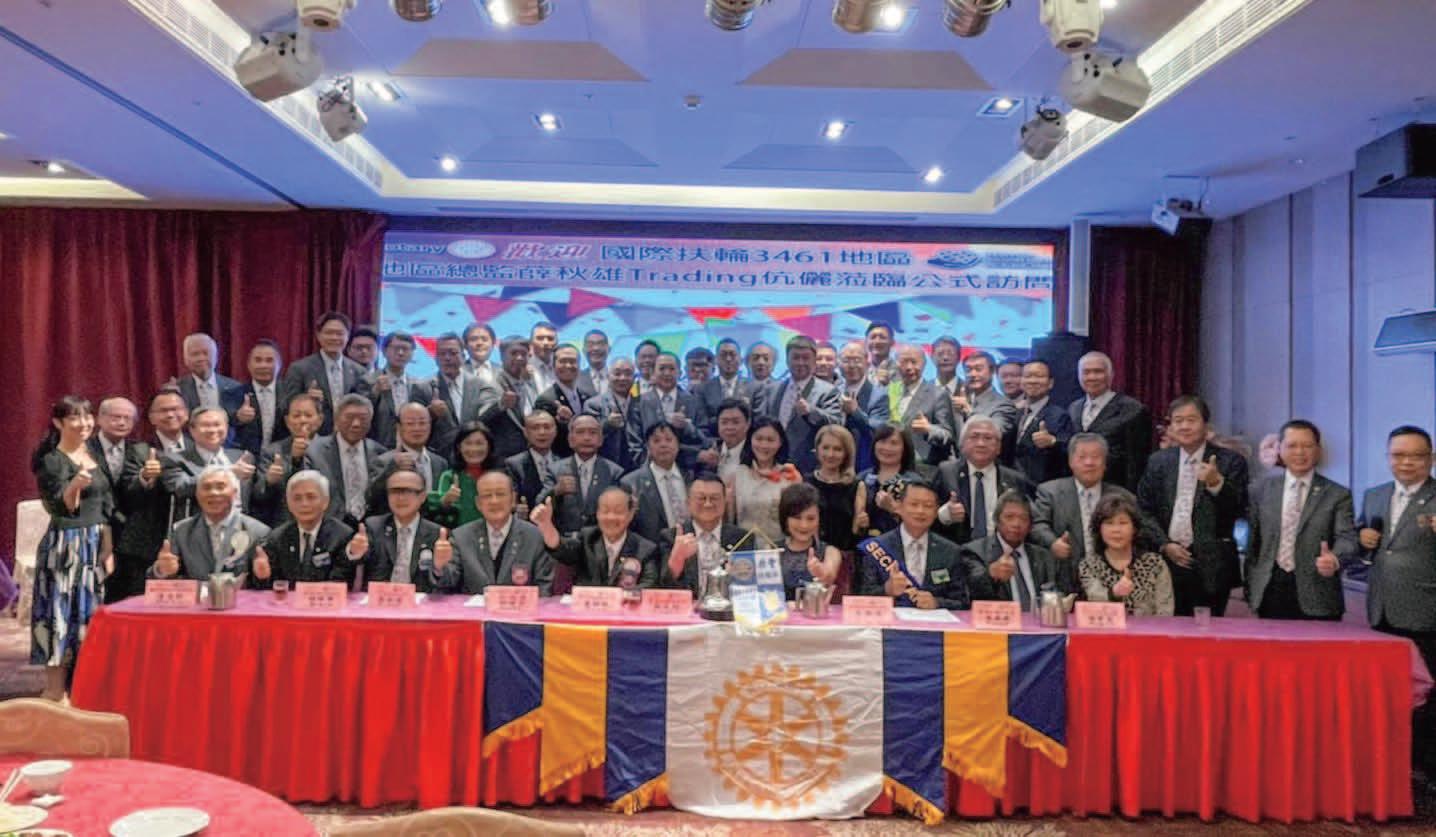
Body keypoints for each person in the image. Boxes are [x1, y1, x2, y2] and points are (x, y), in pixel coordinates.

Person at [1358, 425, 1436, 771]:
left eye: (1416, 456)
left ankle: (1424, 771)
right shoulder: (1375, 494)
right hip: (1382, 611)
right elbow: (1366, 547)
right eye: (1398, 455)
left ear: (1431, 459)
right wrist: (1362, 539)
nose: (1406, 462)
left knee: (1425, 698)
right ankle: (1390, 765)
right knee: (1387, 695)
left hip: (1426, 612)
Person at [30, 396, 113, 701]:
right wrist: (75, 485)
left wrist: (108, 547)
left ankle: (83, 688)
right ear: (58, 423)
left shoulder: (93, 452)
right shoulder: (52, 459)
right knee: (59, 614)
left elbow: (105, 505)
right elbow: (60, 508)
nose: (84, 423)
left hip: (95, 542)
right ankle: (54, 691)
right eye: (75, 417)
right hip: (66, 544)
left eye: (87, 416)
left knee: (88, 616)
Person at [1137, 395, 1249, 616]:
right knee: (1165, 628)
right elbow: (1144, 509)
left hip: (1212, 566)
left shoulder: (1231, 461)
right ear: (1170, 427)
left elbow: (1238, 509)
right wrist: (1164, 544)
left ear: (1205, 425)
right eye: (1178, 421)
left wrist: (1216, 484)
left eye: (1191, 420)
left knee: (1207, 629)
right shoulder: (1158, 461)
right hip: (1166, 560)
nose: (1184, 426)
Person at [1246, 419, 1358, 620]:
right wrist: (1251, 585)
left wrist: (1335, 558)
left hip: (1318, 592)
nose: (1299, 452)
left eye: (1307, 446)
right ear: (1279, 450)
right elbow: (1253, 543)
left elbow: (1347, 537)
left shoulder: (1337, 494)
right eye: (1292, 446)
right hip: (1269, 589)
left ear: (1318, 451)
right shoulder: (1260, 490)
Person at [1030, 433, 1162, 565]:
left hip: (1112, 570)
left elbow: (1140, 532)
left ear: (1105, 463)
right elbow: (1037, 524)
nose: (1089, 463)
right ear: (1070, 462)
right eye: (1082, 457)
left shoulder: (1123, 496)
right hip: (1066, 568)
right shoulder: (1050, 492)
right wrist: (1053, 543)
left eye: (1095, 457)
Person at [110, 389, 184, 600]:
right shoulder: (138, 450)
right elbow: (126, 492)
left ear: (186, 413)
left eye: (176, 409)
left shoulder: (198, 446)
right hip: (146, 544)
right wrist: (144, 477)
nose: (170, 414)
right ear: (151, 417)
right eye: (163, 410)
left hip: (187, 542)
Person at [856, 478, 969, 610]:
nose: (920, 511)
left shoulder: (950, 551)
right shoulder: (876, 548)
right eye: (914, 504)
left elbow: (962, 602)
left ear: (936, 511)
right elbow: (859, 599)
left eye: (928, 506)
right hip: (890, 620)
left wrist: (937, 603)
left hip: (933, 621)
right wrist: (887, 590)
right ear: (899, 507)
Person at [150, 466, 269, 581]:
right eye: (206, 488)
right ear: (197, 494)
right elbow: (156, 577)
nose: (213, 493)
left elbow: (267, 583)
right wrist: (161, 570)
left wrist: (262, 576)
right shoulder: (182, 531)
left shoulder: (258, 532)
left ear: (235, 493)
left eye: (220, 487)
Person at [251, 470, 361, 588]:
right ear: (289, 504)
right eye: (297, 498)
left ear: (325, 501)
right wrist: (263, 577)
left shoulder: (342, 536)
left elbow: (342, 582)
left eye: (311, 497)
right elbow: (270, 586)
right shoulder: (277, 538)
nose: (304, 504)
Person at [533, 487, 660, 589]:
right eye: (605, 511)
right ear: (598, 513)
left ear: (630, 514)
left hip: (627, 611)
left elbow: (648, 586)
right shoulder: (587, 538)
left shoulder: (645, 549)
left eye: (618, 511)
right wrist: (546, 525)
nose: (611, 517)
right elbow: (562, 548)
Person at [934, 416, 1033, 546]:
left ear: (999, 447)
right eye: (974, 437)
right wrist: (944, 515)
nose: (981, 443)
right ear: (962, 444)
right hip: (957, 549)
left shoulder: (1015, 480)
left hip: (1001, 550)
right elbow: (926, 516)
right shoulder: (946, 472)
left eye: (988, 438)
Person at [451, 471, 554, 594]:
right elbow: (448, 584)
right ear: (478, 503)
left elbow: (544, 589)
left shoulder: (534, 536)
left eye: (500, 494)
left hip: (521, 606)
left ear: (513, 499)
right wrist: (439, 567)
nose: (494, 501)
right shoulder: (461, 537)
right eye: (487, 496)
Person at [964, 490, 1074, 606]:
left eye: (1023, 518)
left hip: (1037, 616)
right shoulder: (976, 552)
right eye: (1009, 517)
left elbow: (1062, 593)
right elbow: (970, 593)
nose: (1016, 524)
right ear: (997, 520)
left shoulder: (1045, 558)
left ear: (1030, 525)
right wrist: (990, 575)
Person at [355, 467, 455, 592]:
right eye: (395, 491)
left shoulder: (438, 534)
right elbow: (357, 561)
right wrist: (355, 553)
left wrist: (439, 568)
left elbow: (448, 582)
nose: (401, 498)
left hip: (419, 601)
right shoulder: (374, 526)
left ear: (423, 496)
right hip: (381, 599)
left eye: (408, 491)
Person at [752, 336, 840, 474]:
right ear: (787, 360)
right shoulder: (772, 389)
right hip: (772, 464)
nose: (800, 362)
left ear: (814, 361)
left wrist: (810, 412)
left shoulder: (828, 391)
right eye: (795, 357)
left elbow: (836, 424)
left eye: (805, 358)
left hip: (809, 467)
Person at [1067, 351, 1152, 491]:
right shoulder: (1074, 408)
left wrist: (1129, 496)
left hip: (1116, 491)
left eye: (1098, 371)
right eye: (1086, 372)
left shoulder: (1133, 409)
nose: (1092, 377)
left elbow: (1137, 461)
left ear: (1111, 375)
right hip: (1079, 490)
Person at [1078, 493, 1175, 616]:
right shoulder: (1089, 565)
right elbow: (1092, 600)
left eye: (1123, 523)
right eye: (1109, 523)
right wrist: (1114, 593)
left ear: (1134, 528)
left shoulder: (1155, 564)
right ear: (1099, 529)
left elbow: (1165, 611)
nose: (1116, 530)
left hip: (1149, 628)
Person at [658, 471, 751, 595]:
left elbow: (750, 584)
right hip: (689, 605)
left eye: (714, 498)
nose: (708, 504)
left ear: (725, 501)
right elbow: (663, 587)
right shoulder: (671, 537)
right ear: (688, 502)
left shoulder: (743, 538)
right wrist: (678, 558)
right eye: (701, 498)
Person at [280, 311, 371, 436]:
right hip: (312, 437)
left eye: (339, 333)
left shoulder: (359, 371)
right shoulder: (299, 369)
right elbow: (287, 406)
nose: (334, 337)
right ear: (318, 335)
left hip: (349, 437)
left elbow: (364, 408)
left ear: (348, 336)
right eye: (329, 333)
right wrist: (307, 400)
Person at [534, 415, 624, 536]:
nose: (586, 438)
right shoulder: (555, 470)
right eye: (580, 432)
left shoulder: (614, 472)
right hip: (564, 540)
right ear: (570, 440)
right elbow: (538, 505)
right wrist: (556, 491)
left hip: (601, 539)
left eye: (592, 433)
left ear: (601, 440)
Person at [160, 407, 255, 522]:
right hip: (199, 525)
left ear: (227, 428)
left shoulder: (242, 457)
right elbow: (180, 487)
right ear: (192, 430)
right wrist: (228, 472)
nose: (212, 430)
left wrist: (269, 480)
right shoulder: (174, 458)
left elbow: (257, 494)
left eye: (217, 424)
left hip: (241, 524)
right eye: (205, 425)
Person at [306, 395, 388, 525]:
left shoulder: (380, 453)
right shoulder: (314, 451)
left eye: (363, 419)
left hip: (369, 527)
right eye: (349, 418)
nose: (356, 424)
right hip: (330, 526)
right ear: (336, 419)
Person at [806, 425, 865, 594]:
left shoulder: (856, 485)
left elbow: (857, 531)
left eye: (837, 449)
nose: (830, 454)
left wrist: (862, 522)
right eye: (826, 447)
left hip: (845, 562)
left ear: (846, 453)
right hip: (812, 558)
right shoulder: (805, 482)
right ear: (817, 449)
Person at [727, 417, 801, 549]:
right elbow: (729, 519)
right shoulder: (737, 475)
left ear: (780, 443)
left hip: (779, 548)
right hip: (744, 549)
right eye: (759, 439)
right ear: (750, 440)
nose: (764, 445)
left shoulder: (790, 475)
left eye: (770, 440)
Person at [252, 393, 321, 526]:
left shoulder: (329, 449)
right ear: (287, 422)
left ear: (320, 420)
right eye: (296, 416)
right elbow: (259, 495)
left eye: (308, 415)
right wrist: (269, 481)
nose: (302, 420)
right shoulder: (272, 452)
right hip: (285, 524)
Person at [368, 403, 450, 514]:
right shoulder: (384, 461)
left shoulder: (440, 463)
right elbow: (371, 497)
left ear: (430, 425)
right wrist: (391, 469)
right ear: (399, 427)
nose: (417, 428)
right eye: (410, 423)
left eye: (422, 423)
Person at [630, 352, 707, 469]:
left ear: (680, 373)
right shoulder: (639, 402)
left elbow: (705, 439)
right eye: (662, 369)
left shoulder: (694, 401)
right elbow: (634, 445)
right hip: (649, 469)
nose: (667, 373)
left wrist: (687, 427)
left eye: (671, 369)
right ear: (653, 373)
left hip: (688, 469)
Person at [621, 422, 692, 544]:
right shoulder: (631, 483)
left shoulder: (691, 477)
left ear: (678, 444)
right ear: (648, 447)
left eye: (669, 440)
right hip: (653, 550)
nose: (663, 445)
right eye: (656, 441)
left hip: (691, 545)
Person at [430, 332, 499, 458]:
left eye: (453, 353)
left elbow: (487, 418)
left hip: (475, 455)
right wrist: (430, 413)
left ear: (463, 355)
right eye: (442, 354)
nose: (447, 358)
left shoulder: (480, 385)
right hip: (440, 457)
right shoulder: (425, 387)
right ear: (435, 358)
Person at [885, 344, 955, 465]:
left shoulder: (938, 395)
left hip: (922, 467)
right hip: (890, 462)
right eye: (904, 362)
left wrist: (929, 429)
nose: (909, 367)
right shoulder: (889, 391)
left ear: (924, 364)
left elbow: (948, 436)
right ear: (896, 364)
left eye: (914, 362)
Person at [1007, 360, 1073, 485]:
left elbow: (1071, 451)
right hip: (1012, 484)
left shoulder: (1060, 416)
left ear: (1050, 383)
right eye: (1028, 376)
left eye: (1039, 376)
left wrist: (1053, 442)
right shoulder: (1014, 412)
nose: (1032, 381)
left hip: (1041, 487)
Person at [775, 482, 843, 599]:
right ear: (785, 518)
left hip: (814, 609)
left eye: (811, 518)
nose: (804, 525)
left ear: (819, 519)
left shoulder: (831, 552)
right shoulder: (771, 550)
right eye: (797, 517)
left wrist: (821, 573)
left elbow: (829, 577)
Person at [428, 422, 500, 529]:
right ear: (459, 447)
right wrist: (446, 501)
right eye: (468, 443)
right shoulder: (450, 477)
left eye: (479, 443)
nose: (474, 449)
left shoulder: (499, 478)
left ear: (489, 446)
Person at [368, 331, 432, 449]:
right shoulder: (369, 381)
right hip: (379, 448)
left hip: (412, 447)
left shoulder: (419, 385)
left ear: (412, 354)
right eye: (396, 348)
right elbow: (362, 413)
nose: (400, 353)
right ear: (384, 351)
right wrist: (375, 392)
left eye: (405, 349)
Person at [858, 425, 923, 538]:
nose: (887, 447)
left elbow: (921, 523)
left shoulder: (915, 483)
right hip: (864, 544)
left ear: (905, 448)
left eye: (894, 443)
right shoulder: (862, 478)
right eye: (882, 441)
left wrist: (894, 509)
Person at [480, 336, 537, 459]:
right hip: (504, 457)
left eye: (523, 354)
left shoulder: (530, 382)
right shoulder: (491, 384)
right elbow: (481, 419)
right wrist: (501, 405)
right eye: (514, 353)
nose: (519, 358)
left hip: (531, 454)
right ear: (502, 356)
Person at [583, 358, 642, 472]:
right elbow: (588, 438)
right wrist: (607, 424)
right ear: (608, 376)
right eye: (617, 373)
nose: (622, 378)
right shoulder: (593, 404)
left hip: (639, 469)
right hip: (607, 468)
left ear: (635, 378)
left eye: (628, 374)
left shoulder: (642, 404)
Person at [535, 344, 594, 459]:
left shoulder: (588, 396)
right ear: (553, 366)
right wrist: (565, 423)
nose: (568, 365)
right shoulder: (546, 400)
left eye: (572, 361)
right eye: (563, 361)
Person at [837, 340, 885, 473]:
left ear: (867, 363)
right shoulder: (833, 391)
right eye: (846, 360)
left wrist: (855, 411)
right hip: (834, 461)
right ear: (838, 364)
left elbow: (878, 432)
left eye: (857, 360)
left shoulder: (879, 395)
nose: (852, 365)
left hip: (863, 465)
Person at [951, 351, 1018, 442]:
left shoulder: (1004, 404)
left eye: (978, 369)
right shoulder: (960, 398)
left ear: (992, 371)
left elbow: (995, 432)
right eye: (968, 370)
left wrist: (969, 411)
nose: (972, 374)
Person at [175, 332, 245, 419]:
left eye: (206, 353)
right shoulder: (177, 389)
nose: (201, 358)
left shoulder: (234, 388)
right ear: (186, 359)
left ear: (216, 356)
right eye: (195, 354)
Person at [234, 340, 286, 457]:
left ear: (279, 364)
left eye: (269, 360)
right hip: (245, 458)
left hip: (282, 458)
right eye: (258, 360)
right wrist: (238, 418)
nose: (263, 365)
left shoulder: (290, 393)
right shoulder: (234, 394)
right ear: (248, 365)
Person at [505, 410, 560, 513]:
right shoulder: (514, 465)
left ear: (555, 431)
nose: (542, 432)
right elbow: (511, 501)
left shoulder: (564, 463)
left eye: (547, 427)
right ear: (525, 433)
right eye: (535, 428)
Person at [698, 338, 758, 429]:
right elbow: (702, 423)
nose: (728, 359)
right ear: (716, 360)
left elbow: (757, 421)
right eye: (723, 355)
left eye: (732, 355)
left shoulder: (754, 387)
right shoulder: (703, 389)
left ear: (741, 360)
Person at [696, 398, 749, 480]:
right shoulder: (710, 447)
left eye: (736, 422)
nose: (729, 427)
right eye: (724, 422)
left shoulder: (755, 452)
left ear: (747, 425)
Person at [528, 321, 559, 393]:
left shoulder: (562, 368)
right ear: (531, 342)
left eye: (550, 339)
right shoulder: (522, 369)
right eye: (540, 338)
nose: (545, 343)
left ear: (557, 343)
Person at [579, 329, 610, 396]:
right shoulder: (576, 379)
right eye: (590, 344)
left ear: (609, 349)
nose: (596, 348)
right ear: (583, 350)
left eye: (601, 344)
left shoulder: (619, 378)